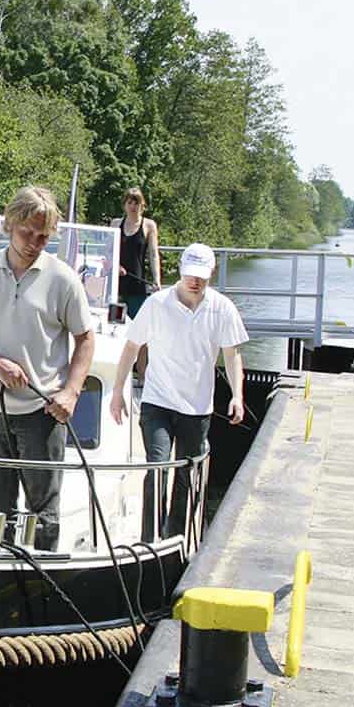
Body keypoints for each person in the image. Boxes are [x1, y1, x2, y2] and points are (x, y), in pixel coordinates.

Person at [0, 184, 96, 549]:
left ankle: (38, 577)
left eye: (42, 236)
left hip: (42, 413)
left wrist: (71, 393)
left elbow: (86, 339)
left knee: (42, 512)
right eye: (26, 232)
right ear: (9, 225)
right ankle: (1, 571)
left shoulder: (63, 279)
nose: (33, 242)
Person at [108, 242, 247, 542]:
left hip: (197, 407)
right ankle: (149, 539)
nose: (194, 282)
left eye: (201, 276)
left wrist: (237, 395)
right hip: (158, 401)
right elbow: (131, 347)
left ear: (212, 273)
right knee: (157, 466)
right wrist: (118, 391)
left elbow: (232, 354)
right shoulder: (157, 304)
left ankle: (176, 537)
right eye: (189, 275)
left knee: (187, 474)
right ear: (181, 272)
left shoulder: (222, 308)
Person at [111, 188, 161, 318]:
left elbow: (154, 254)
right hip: (116, 285)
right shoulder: (115, 224)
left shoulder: (149, 225)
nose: (133, 206)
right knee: (115, 323)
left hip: (137, 284)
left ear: (142, 205)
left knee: (138, 324)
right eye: (130, 203)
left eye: (136, 203)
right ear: (124, 205)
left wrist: (157, 280)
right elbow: (108, 252)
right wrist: (116, 266)